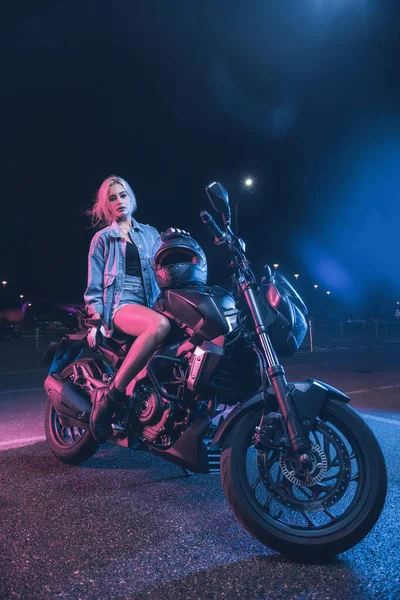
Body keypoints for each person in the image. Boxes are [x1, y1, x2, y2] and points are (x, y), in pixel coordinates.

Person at [84, 175, 171, 443]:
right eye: (112, 198)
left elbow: (165, 271)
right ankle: (111, 398)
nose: (119, 201)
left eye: (123, 195)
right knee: (159, 326)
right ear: (107, 207)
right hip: (121, 304)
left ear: (131, 198)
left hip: (151, 302)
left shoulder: (151, 234)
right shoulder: (102, 239)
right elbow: (95, 286)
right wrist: (95, 321)